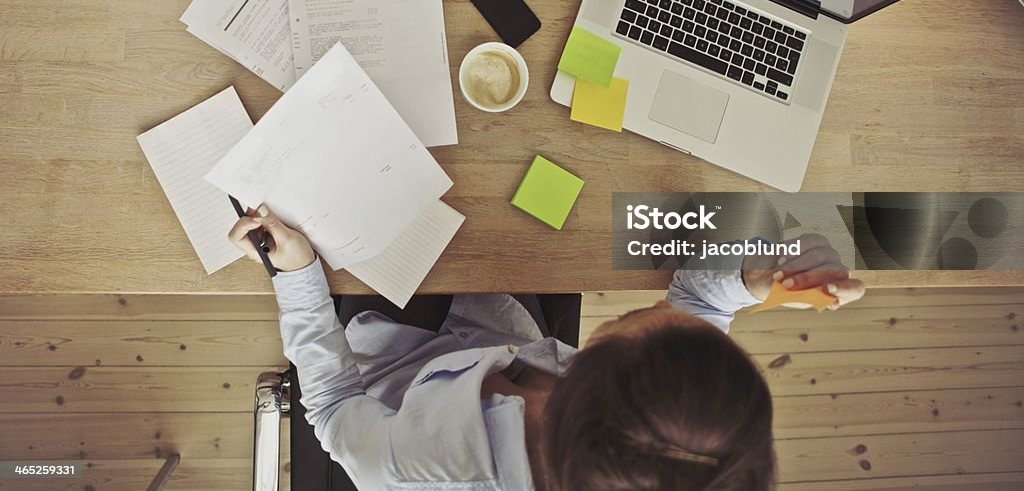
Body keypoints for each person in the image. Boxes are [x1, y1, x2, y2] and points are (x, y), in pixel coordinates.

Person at [230, 206, 865, 491]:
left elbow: (336, 405)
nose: (656, 309)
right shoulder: (675, 434)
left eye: (633, 320)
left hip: (380, 355)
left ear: (568, 394)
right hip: (494, 314)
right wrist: (751, 281)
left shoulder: (417, 472)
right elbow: (698, 302)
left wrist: (298, 277)